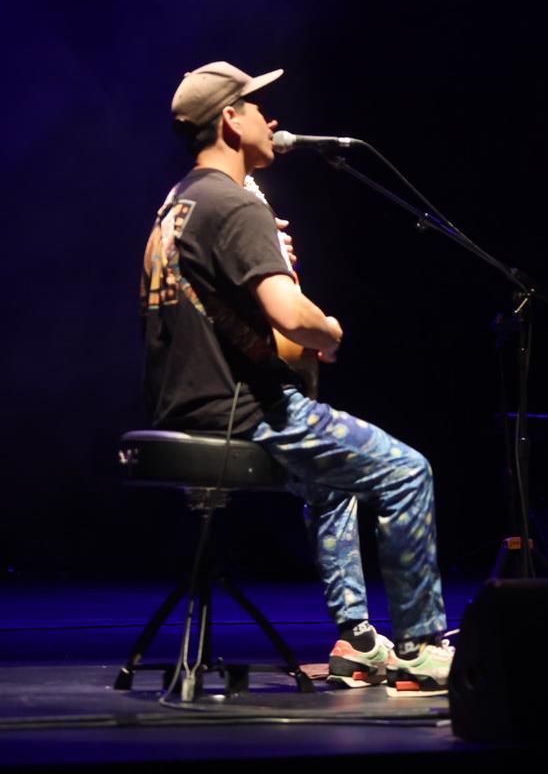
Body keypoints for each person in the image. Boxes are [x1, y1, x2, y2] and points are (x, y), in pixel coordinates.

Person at [140, 61, 451, 696]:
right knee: (406, 471)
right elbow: (293, 320)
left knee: (334, 484)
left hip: (185, 405)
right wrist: (330, 332)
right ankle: (420, 648)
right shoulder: (236, 206)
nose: (271, 119)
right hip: (247, 409)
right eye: (257, 106)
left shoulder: (177, 206)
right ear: (230, 120)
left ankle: (358, 642)